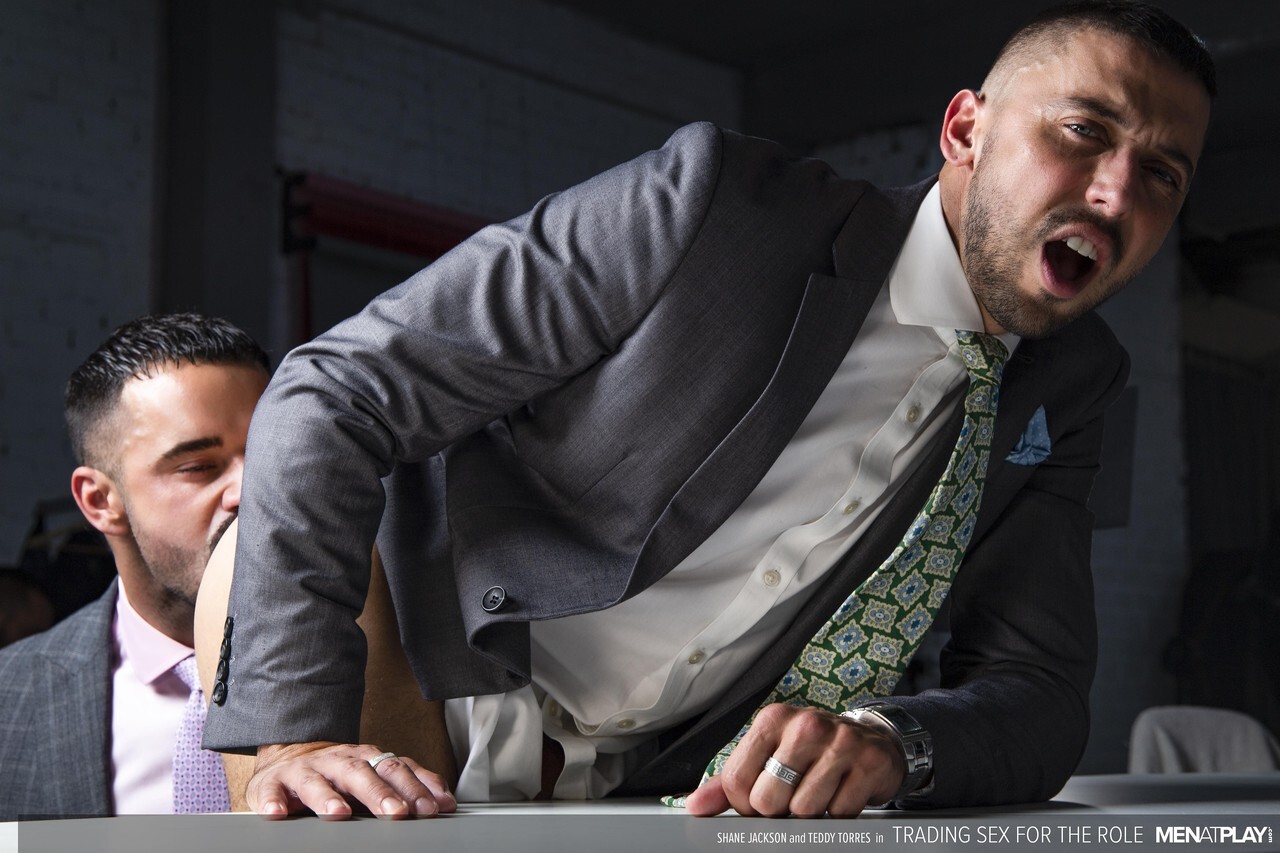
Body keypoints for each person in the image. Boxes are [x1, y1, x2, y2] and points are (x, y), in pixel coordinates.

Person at [203, 0, 1214, 819]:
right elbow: (334, 391)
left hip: (660, 786)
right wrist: (297, 728)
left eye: (1160, 174)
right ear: (964, 130)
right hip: (422, 665)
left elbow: (1034, 688)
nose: (1115, 193)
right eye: (1083, 132)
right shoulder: (716, 205)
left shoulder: (1072, 385)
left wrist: (891, 744)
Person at [0, 314, 269, 819]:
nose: (252, 491)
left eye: (268, 456)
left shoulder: (394, 665)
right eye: (198, 467)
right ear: (101, 501)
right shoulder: (10, 700)